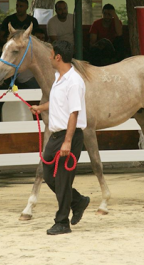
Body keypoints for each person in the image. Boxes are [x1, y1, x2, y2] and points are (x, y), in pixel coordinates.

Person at [29, 40, 90, 235]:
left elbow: (74, 113)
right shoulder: (58, 77)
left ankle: (62, 222)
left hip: (68, 135)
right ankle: (78, 201)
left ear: (58, 57)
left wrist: (68, 141)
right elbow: (57, 103)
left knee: (62, 180)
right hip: (56, 136)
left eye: (51, 54)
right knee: (48, 174)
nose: (48, 57)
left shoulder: (74, 81)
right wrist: (41, 107)